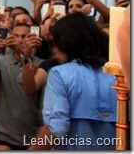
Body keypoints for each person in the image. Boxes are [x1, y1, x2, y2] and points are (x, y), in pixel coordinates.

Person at [29, 13, 118, 150]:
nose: (54, 49)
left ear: (67, 43)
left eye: (56, 43)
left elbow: (55, 128)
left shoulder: (60, 74)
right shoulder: (117, 74)